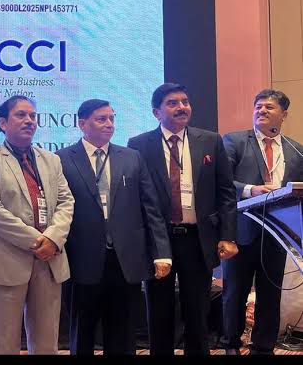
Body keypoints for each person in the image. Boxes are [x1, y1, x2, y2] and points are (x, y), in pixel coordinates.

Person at [127, 83, 238, 355]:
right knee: (159, 312)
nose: (181, 107)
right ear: (156, 112)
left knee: (197, 312)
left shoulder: (210, 140)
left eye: (185, 101)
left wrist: (227, 235)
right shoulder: (139, 145)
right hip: (158, 239)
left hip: (197, 239)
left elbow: (225, 192)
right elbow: (136, 198)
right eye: (172, 103)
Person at [56, 99, 171, 355]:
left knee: (122, 333)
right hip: (81, 260)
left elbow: (150, 208)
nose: (109, 124)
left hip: (125, 260)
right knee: (82, 331)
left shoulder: (131, 157)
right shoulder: (61, 159)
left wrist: (161, 252)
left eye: (112, 118)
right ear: (82, 124)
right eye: (101, 119)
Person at [0, 95, 74, 354]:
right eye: (21, 115)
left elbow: (66, 202)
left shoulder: (51, 160)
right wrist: (37, 241)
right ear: (3, 123)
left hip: (49, 260)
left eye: (32, 115)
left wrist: (53, 238)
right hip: (7, 261)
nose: (29, 120)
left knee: (46, 343)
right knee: (4, 344)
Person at [220, 89, 303, 355]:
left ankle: (264, 347)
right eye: (258, 106)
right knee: (235, 292)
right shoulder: (234, 141)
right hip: (241, 230)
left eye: (269, 107)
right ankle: (230, 344)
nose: (262, 110)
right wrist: (249, 190)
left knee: (271, 294)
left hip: (278, 232)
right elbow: (221, 181)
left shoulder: (295, 150)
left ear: (284, 114)